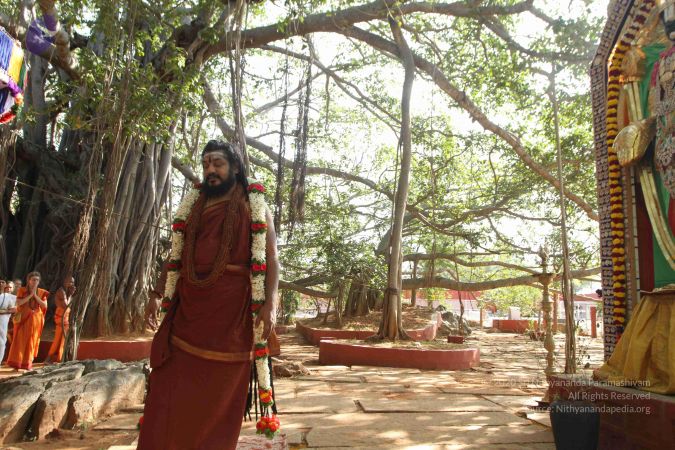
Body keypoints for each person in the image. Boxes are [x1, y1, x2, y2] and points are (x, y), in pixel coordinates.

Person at [137, 140, 279, 450]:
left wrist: (270, 304)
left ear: (235, 167)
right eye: (205, 165)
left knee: (218, 400)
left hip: (231, 319)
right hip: (186, 315)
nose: (210, 170)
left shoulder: (253, 205)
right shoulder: (194, 205)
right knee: (167, 393)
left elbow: (271, 258)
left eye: (217, 164)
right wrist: (156, 292)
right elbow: (175, 255)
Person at [6, 272, 49, 370]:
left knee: (32, 341)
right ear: (29, 281)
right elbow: (19, 303)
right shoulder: (22, 290)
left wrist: (35, 295)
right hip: (23, 320)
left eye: (37, 280)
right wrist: (30, 295)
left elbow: (44, 305)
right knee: (20, 341)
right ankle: (17, 363)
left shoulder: (42, 292)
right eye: (33, 280)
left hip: (36, 321)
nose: (35, 282)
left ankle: (27, 364)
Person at [45, 276, 75, 363]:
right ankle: (57, 359)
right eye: (69, 281)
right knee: (60, 340)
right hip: (61, 318)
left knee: (62, 340)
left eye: (72, 282)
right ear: (65, 282)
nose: (71, 284)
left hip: (65, 318)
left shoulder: (67, 292)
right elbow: (66, 305)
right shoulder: (61, 291)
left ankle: (56, 358)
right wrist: (71, 295)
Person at [0, 279, 17, 363]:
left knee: (1, 342)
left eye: (2, 282)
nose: (1, 283)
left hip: (3, 322)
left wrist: (4, 311)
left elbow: (15, 309)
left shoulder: (12, 297)